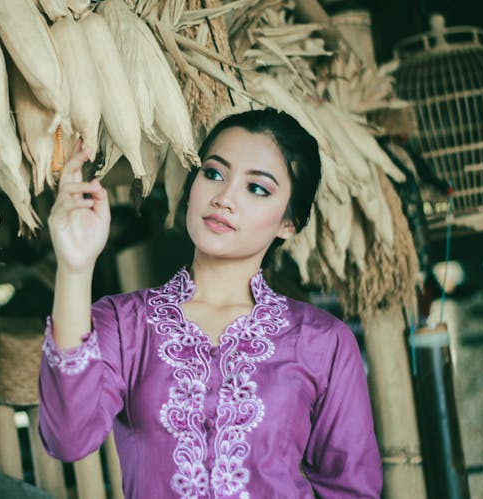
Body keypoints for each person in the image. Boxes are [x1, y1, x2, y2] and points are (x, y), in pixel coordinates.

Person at [38, 109, 383, 498]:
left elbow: (351, 488)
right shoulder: (123, 324)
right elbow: (68, 439)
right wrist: (75, 267)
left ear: (289, 222)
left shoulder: (324, 342)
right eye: (214, 173)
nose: (223, 198)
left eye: (257, 189)